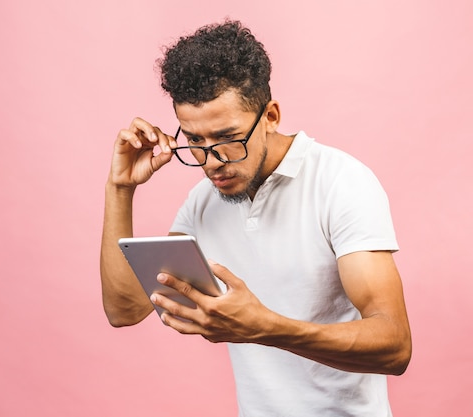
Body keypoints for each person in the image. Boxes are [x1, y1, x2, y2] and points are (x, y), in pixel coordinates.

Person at [100, 20, 412, 416]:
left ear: (271, 116)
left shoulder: (340, 182)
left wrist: (265, 326)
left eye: (228, 138)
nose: (212, 161)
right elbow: (124, 310)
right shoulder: (202, 202)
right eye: (195, 141)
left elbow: (395, 344)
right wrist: (119, 189)